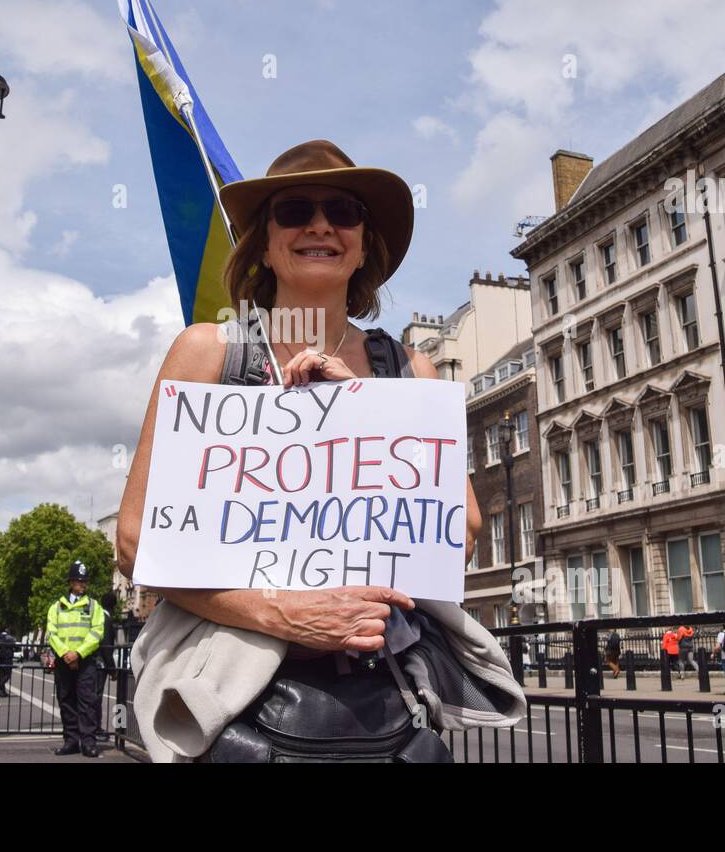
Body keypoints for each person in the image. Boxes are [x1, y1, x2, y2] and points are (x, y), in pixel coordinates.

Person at [116, 140, 499, 762]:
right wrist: (281, 614)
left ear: (363, 242)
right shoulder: (209, 352)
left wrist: (366, 415)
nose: (320, 224)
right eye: (294, 210)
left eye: (343, 211)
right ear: (263, 244)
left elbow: (459, 539)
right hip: (239, 703)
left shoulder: (411, 371)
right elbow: (136, 542)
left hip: (383, 701)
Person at [46, 560, 106, 757]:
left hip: (85, 661)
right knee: (66, 701)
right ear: (71, 582)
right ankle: (71, 741)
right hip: (64, 661)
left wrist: (78, 653)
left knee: (87, 703)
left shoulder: (93, 606)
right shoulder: (56, 607)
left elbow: (97, 633)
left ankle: (88, 743)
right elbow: (52, 633)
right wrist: (66, 654)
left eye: (85, 581)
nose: (83, 585)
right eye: (80, 581)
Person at [93, 593, 118, 741]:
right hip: (99, 664)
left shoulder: (96, 615)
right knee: (96, 697)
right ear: (113, 606)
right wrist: (112, 669)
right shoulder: (106, 620)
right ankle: (95, 728)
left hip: (90, 662)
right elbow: (106, 647)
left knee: (88, 697)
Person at [0, 627, 16, 697]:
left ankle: (3, 692)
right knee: (7, 675)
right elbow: (14, 645)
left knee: (1, 675)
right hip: (7, 658)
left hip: (0, 658)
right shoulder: (9, 638)